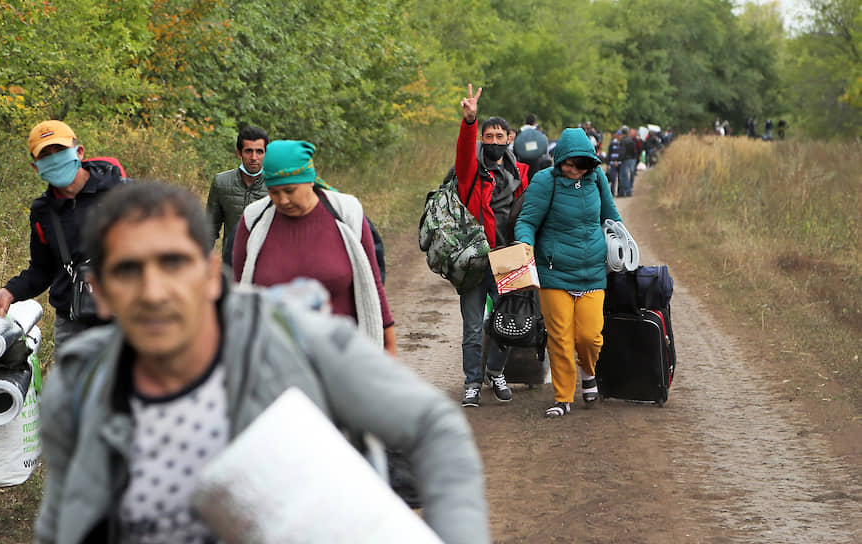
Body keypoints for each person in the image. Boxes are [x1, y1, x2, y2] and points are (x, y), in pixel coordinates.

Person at [35, 181, 488, 543]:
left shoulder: (295, 340)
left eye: (173, 263)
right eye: (128, 270)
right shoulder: (79, 386)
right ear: (103, 292)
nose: (154, 291)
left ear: (212, 276)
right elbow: (59, 521)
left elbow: (432, 426)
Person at [232, 140, 395, 354]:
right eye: (274, 192)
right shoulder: (254, 219)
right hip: (274, 360)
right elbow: (238, 293)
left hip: (342, 358)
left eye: (290, 190)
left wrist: (389, 345)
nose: (282, 200)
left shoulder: (346, 213)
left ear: (309, 181)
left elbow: (373, 282)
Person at [0, 120, 128, 345]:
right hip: (73, 327)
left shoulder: (124, 192)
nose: (54, 158)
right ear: (36, 167)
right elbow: (42, 270)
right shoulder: (43, 212)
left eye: (60, 150)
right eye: (45, 155)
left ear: (78, 152)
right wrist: (9, 293)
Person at [514, 128, 623, 417]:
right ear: (558, 159)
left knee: (590, 336)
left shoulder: (597, 178)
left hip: (592, 273)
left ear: (590, 164)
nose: (573, 170)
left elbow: (611, 217)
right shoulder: (544, 182)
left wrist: (623, 245)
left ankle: (588, 371)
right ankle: (563, 398)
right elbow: (527, 220)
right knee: (560, 337)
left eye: (580, 165)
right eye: (568, 163)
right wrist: (525, 244)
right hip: (554, 273)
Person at [455, 84, 530, 407]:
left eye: (501, 137)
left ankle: (496, 372)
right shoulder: (470, 171)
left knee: (508, 322)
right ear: (482, 140)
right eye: (489, 137)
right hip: (475, 259)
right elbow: (463, 150)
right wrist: (470, 122)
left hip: (509, 259)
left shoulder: (522, 173)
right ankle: (472, 381)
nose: (495, 142)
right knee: (473, 327)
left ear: (509, 139)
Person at [206, 125, 269, 260]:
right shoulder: (221, 182)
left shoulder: (275, 185)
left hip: (266, 263)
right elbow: (209, 228)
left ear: (266, 153)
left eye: (259, 151)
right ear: (239, 153)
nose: (254, 157)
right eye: (248, 151)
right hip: (232, 262)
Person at [617, 126, 636, 197]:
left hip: (625, 159)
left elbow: (622, 151)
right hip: (632, 159)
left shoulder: (623, 141)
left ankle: (626, 191)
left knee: (623, 176)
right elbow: (634, 150)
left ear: (622, 132)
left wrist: (619, 159)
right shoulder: (631, 140)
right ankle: (627, 190)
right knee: (630, 174)